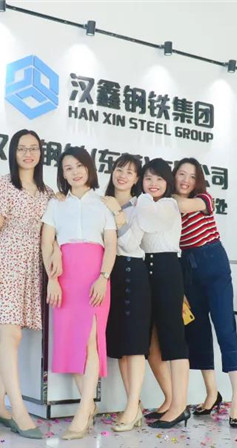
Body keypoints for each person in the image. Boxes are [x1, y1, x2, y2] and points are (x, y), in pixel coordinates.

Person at [0, 129, 54, 439]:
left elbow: (51, 232)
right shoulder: (4, 184)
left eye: (33, 148)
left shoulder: (47, 192)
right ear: (13, 153)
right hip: (5, 262)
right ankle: (18, 410)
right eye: (22, 148)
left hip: (31, 267)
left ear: (40, 153)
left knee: (4, 339)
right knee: (11, 334)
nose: (28, 154)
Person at [41, 147, 117, 440]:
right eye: (67, 168)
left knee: (90, 342)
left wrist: (103, 277)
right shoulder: (56, 204)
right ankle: (88, 405)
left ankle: (83, 411)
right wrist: (52, 279)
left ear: (89, 168)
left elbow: (111, 246)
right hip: (64, 277)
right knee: (71, 343)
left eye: (79, 166)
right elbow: (47, 242)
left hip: (95, 276)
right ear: (62, 174)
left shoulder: (103, 204)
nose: (74, 172)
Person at [172, 157, 237, 428]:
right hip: (187, 266)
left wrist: (160, 199)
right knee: (198, 331)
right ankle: (212, 393)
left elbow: (182, 205)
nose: (186, 180)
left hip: (213, 261)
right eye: (181, 174)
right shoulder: (167, 205)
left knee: (225, 329)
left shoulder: (203, 199)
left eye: (192, 176)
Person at [135, 158, 192, 429]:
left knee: (174, 339)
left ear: (167, 182)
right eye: (148, 178)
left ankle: (180, 406)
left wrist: (140, 201)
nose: (153, 183)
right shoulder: (142, 203)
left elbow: (149, 223)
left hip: (168, 269)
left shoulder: (169, 204)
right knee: (152, 344)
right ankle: (170, 400)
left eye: (159, 178)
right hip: (145, 270)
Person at [98, 154, 151, 432]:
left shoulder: (141, 205)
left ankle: (131, 408)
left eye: (130, 172)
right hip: (109, 275)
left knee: (135, 346)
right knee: (119, 347)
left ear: (136, 179)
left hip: (132, 272)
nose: (123, 176)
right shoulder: (99, 202)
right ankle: (135, 405)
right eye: (120, 169)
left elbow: (131, 243)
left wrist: (117, 215)